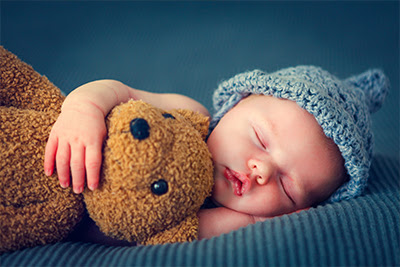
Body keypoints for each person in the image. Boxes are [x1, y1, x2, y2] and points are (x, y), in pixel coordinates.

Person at [44, 65, 388, 241]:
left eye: (287, 187)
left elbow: (161, 234)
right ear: (236, 104)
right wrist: (83, 109)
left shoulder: (232, 221)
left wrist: (251, 222)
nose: (262, 170)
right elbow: (119, 91)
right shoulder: (188, 116)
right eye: (261, 139)